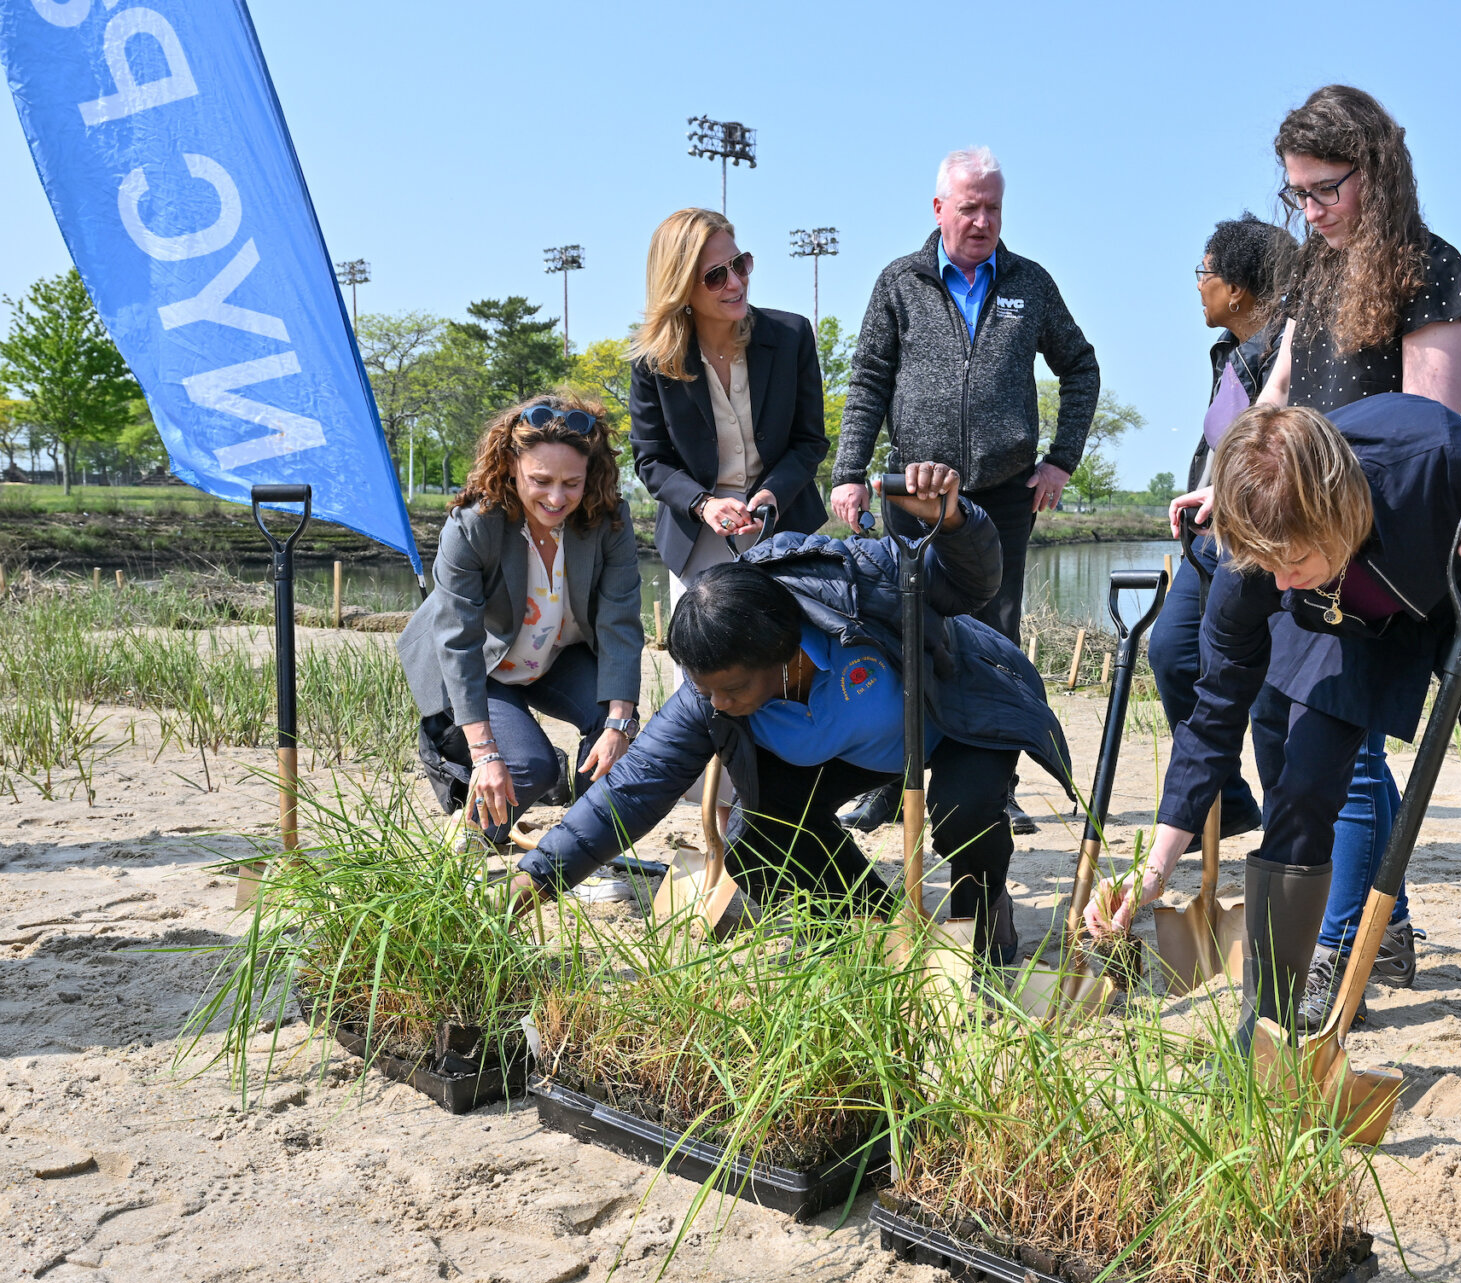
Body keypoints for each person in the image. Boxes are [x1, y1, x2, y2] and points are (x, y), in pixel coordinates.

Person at [1111, 401, 1461, 1096]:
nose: (1274, 581)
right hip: (1348, 611)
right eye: (1264, 565)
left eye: (1289, 560)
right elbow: (1214, 712)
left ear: (1333, 508)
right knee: (1301, 787)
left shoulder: (1435, 452)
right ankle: (1268, 1018)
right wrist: (1156, 866)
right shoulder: (1265, 559)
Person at [1179, 85, 1461, 1029]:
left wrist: (1313, 502)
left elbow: (1430, 433)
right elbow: (1277, 392)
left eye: (1325, 190)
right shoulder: (1312, 267)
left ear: (1378, 171)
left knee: (1337, 749)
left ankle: (1342, 943)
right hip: (1290, 521)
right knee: (1281, 726)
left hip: (1363, 543)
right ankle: (1366, 929)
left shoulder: (1432, 270)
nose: (1309, 211)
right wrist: (1235, 483)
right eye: (1296, 195)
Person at [513, 463, 1072, 965]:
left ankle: (984, 906)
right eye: (707, 692)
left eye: (732, 689)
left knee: (964, 813)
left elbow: (973, 582)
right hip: (856, 751)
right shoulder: (713, 691)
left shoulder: (858, 583)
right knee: (758, 844)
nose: (719, 704)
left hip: (954, 713)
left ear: (780, 655)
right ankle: (870, 918)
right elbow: (634, 789)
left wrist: (955, 520)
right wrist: (535, 877)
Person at [828, 146, 1101, 836]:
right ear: (939, 208)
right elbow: (866, 383)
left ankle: (992, 787)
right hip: (911, 490)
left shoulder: (1030, 285)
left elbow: (1082, 366)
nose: (982, 220)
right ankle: (892, 784)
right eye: (970, 206)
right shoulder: (900, 282)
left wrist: (1061, 460)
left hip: (1003, 494)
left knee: (994, 637)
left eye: (993, 207)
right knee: (899, 631)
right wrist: (849, 472)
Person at [400, 396, 644, 842]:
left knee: (619, 740)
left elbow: (620, 624)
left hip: (554, 656)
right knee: (529, 767)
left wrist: (618, 724)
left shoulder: (610, 521)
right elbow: (458, 644)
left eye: (572, 483)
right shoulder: (472, 526)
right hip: (483, 663)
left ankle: (586, 847)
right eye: (541, 480)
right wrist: (485, 753)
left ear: (591, 475)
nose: (557, 498)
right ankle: (469, 834)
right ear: (512, 466)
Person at [1148, 214, 1296, 842]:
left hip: (1265, 550)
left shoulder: (1291, 349)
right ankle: (1227, 800)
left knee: (1272, 703)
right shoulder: (1229, 355)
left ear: (1237, 287)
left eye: (1204, 273)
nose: (1198, 285)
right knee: (1173, 653)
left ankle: (1294, 844)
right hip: (1211, 540)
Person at [629, 208, 828, 608]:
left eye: (740, 264)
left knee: (793, 666)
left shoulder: (792, 335)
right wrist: (704, 504)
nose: (736, 282)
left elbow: (810, 441)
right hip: (696, 537)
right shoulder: (652, 361)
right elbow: (651, 461)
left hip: (785, 524)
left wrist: (774, 492)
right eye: (716, 276)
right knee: (703, 665)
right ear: (681, 287)